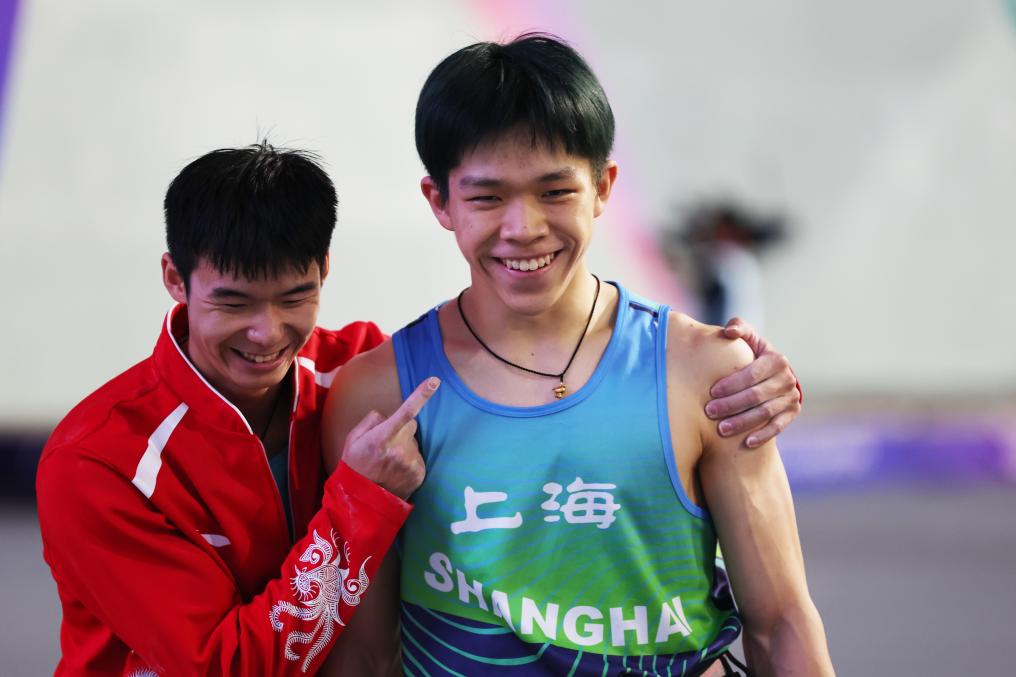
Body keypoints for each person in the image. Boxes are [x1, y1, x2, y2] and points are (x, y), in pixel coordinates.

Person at [322, 34, 831, 676]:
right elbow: (364, 654)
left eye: (554, 191)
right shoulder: (378, 398)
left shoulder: (706, 374)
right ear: (439, 202)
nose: (524, 228)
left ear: (603, 187)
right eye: (487, 197)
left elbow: (781, 622)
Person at [35, 145, 436, 675]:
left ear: (324, 269)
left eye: (294, 298)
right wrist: (362, 501)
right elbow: (226, 667)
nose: (267, 333)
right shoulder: (97, 462)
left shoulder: (359, 372)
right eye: (233, 303)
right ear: (175, 278)